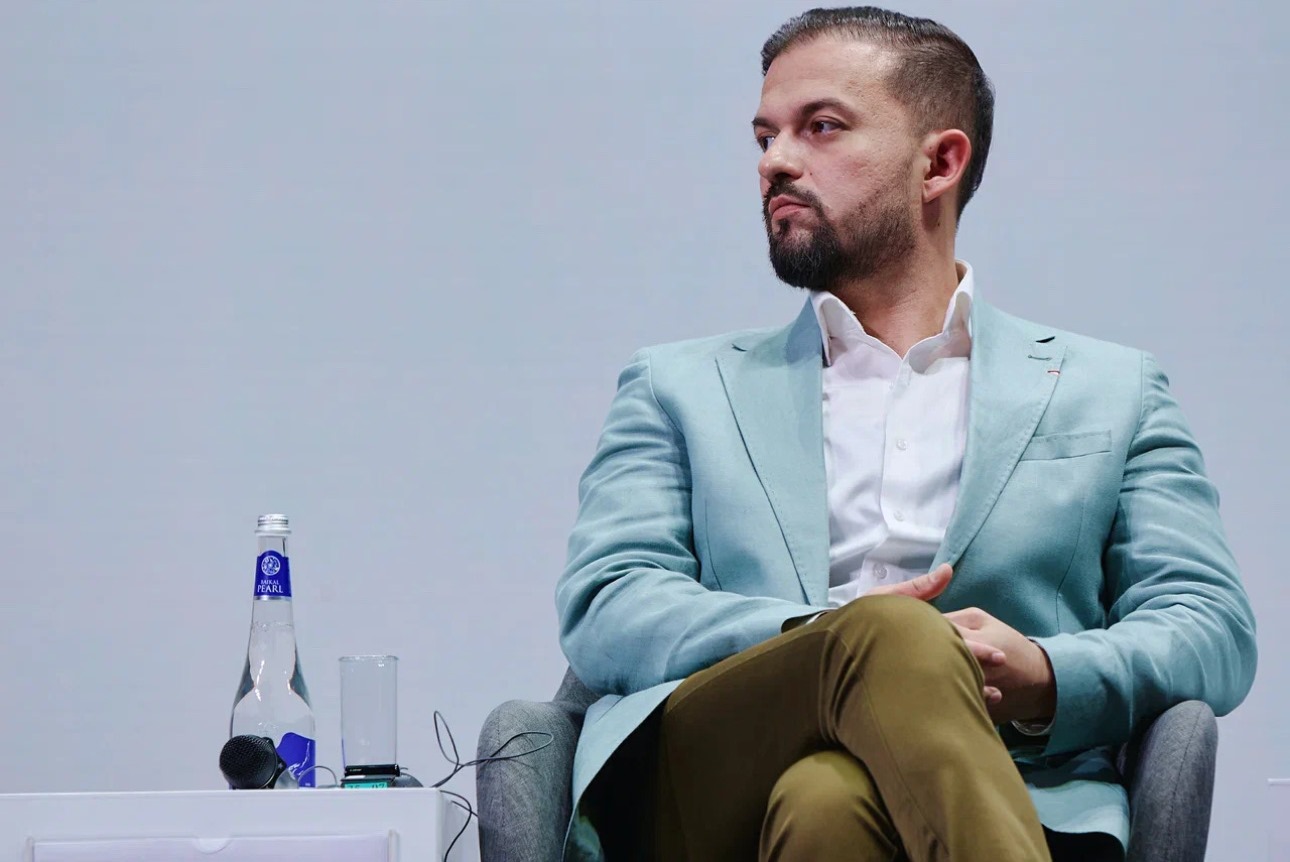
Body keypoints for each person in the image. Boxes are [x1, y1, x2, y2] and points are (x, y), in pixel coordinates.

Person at [554, 6, 1257, 861]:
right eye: (765, 137)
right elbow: (608, 603)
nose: (775, 161)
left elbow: (1209, 626)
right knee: (888, 636)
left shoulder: (1113, 391)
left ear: (940, 163)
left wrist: (1044, 674)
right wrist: (832, 637)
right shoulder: (678, 386)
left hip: (1007, 779)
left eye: (821, 127)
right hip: (710, 782)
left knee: (827, 801)